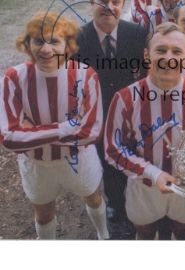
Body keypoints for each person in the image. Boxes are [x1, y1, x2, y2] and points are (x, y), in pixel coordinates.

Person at [0, 12, 109, 240]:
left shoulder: (86, 75)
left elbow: (92, 131)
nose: (46, 50)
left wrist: (30, 131)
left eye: (54, 41)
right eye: (39, 41)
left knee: (93, 197)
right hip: (37, 164)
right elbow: (8, 138)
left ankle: (103, 235)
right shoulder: (12, 78)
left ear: (67, 45)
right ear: (28, 44)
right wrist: (65, 127)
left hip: (78, 159)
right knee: (43, 213)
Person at [104, 22, 185, 240]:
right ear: (147, 55)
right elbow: (112, 148)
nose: (168, 58)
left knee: (182, 229)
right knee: (145, 231)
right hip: (143, 183)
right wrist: (152, 173)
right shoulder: (125, 98)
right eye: (161, 50)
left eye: (176, 51)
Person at [75, 0, 147, 226]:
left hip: (130, 108)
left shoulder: (136, 33)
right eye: (103, 1)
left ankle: (134, 197)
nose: (109, 6)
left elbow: (146, 71)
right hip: (97, 111)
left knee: (131, 152)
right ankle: (116, 203)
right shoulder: (78, 38)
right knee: (106, 157)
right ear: (91, 3)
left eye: (116, 2)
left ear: (122, 4)